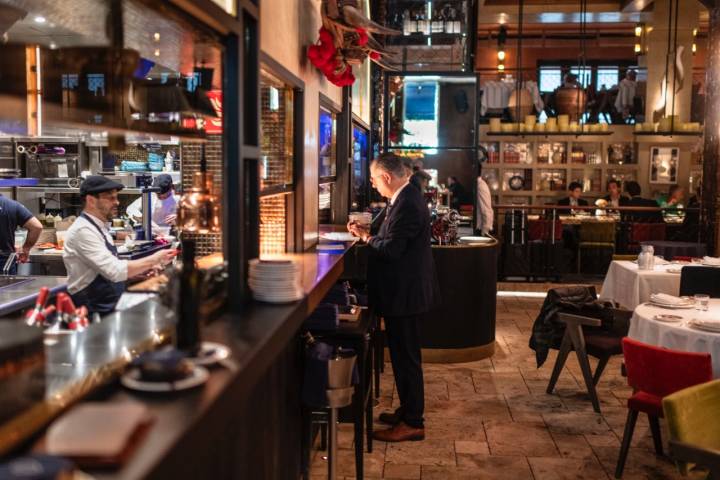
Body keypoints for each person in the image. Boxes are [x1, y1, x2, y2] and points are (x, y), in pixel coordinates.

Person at [347, 152, 439, 442]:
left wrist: (365, 238)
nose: (374, 185)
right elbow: (392, 238)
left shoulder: (408, 202)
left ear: (386, 177)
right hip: (404, 292)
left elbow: (391, 250)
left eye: (374, 180)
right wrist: (370, 232)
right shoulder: (405, 197)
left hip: (406, 294)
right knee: (403, 357)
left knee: (406, 359)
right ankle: (408, 410)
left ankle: (413, 422)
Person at [63, 176, 177, 316]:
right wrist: (154, 259)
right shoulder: (83, 230)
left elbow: (105, 270)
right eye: (110, 198)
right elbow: (114, 270)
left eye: (116, 197)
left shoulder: (100, 227)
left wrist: (137, 274)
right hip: (93, 310)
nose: (117, 202)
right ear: (91, 200)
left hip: (109, 304)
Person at [0, 195, 42, 274]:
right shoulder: (12, 205)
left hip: (5, 260)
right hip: (4, 262)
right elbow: (36, 227)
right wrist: (26, 249)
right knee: (7, 286)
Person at [475, 164, 494, 236]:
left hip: (480, 229)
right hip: (478, 227)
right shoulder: (477, 184)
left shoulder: (481, 185)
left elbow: (487, 210)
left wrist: (485, 231)